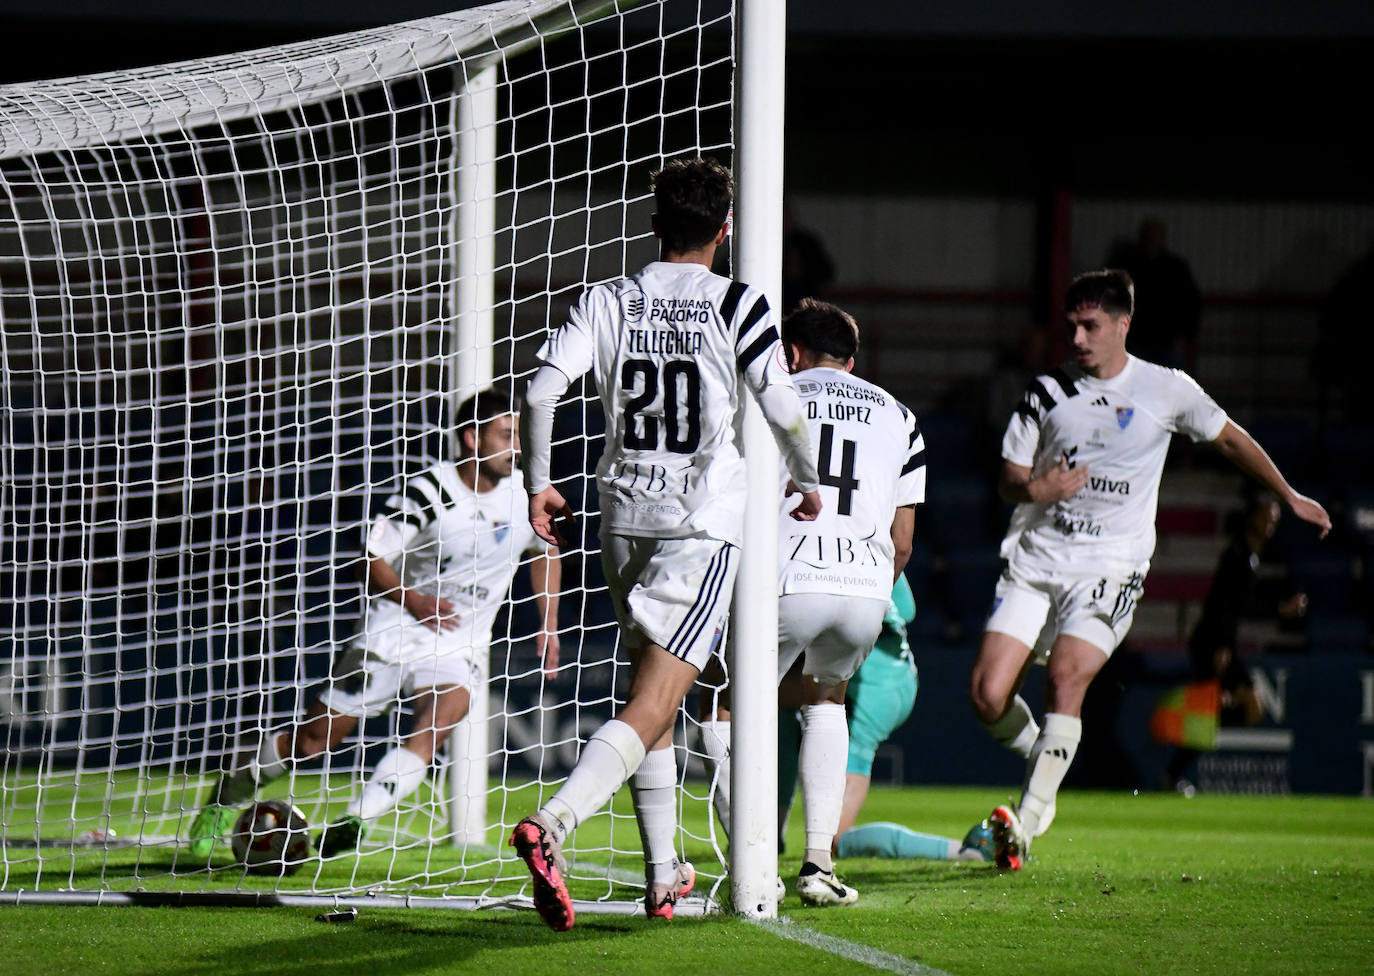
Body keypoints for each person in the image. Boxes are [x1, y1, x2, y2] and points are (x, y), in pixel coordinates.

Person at [509, 156, 822, 932]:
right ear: (725, 230)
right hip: (697, 521)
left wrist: (538, 485)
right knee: (657, 701)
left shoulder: (609, 297)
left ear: (654, 226)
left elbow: (541, 388)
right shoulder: (739, 303)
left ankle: (661, 877)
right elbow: (781, 406)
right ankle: (552, 825)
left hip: (621, 516)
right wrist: (810, 477)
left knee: (646, 694)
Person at [969, 268, 1330, 871]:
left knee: (1066, 675)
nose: (1078, 338)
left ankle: (1027, 822)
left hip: (1112, 564)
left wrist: (1289, 495)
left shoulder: (1167, 390)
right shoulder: (1045, 391)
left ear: (1122, 326)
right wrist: (1040, 485)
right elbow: (1009, 479)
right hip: (1037, 561)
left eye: (1091, 326)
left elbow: (1232, 440)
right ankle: (1045, 755)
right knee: (985, 695)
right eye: (1071, 326)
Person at [186, 389, 560, 860]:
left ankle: (356, 820)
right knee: (312, 742)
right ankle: (224, 800)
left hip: (458, 645)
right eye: (507, 436)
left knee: (439, 721)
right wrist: (412, 599)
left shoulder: (523, 495)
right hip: (394, 632)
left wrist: (549, 624)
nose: (518, 448)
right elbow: (371, 557)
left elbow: (546, 549)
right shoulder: (430, 491)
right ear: (472, 438)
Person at [697, 298, 923, 906]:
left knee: (723, 703)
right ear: (851, 358)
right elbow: (903, 542)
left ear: (791, 352)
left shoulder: (770, 395)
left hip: (786, 577)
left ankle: (756, 857)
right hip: (866, 591)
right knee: (827, 700)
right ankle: (817, 866)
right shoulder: (900, 416)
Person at [1160, 490, 1308, 793]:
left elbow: (1241, 606)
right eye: (1266, 517)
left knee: (1242, 709)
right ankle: (1173, 764)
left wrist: (1279, 610)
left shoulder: (1249, 556)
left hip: (1219, 642)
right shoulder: (1238, 555)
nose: (1270, 524)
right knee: (1241, 706)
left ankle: (1177, 762)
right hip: (1213, 643)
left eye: (1275, 520)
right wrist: (1222, 648)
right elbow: (1223, 606)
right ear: (1252, 518)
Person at [1106, 219, 1202, 371]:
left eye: (1156, 235)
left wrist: (1185, 334)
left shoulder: (1175, 267)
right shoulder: (1128, 265)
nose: (1152, 239)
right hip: (1136, 338)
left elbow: (1190, 302)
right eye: (1149, 235)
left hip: (1166, 340)